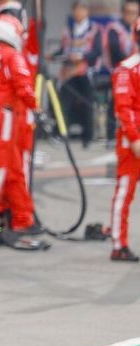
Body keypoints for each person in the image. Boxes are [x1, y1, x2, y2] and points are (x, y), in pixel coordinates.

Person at [0, 13, 39, 234]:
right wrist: (37, 108)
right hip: (9, 121)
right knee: (13, 172)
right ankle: (19, 219)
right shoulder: (13, 55)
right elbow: (24, 87)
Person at [110, 18, 140, 262]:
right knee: (125, 191)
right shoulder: (127, 69)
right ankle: (119, 244)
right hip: (133, 141)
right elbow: (124, 107)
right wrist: (134, 138)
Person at [55, 1, 102, 149]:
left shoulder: (94, 30)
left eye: (81, 10)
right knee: (64, 103)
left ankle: (87, 137)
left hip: (86, 72)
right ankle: (62, 134)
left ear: (86, 11)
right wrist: (55, 55)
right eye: (76, 10)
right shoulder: (68, 29)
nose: (78, 13)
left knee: (87, 105)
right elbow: (63, 49)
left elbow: (97, 51)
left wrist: (82, 57)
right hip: (69, 73)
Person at [104, 0, 139, 141]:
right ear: (123, 13)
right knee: (118, 104)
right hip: (121, 72)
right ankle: (110, 136)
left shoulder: (137, 27)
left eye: (135, 13)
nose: (131, 15)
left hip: (136, 72)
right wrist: (132, 62)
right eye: (129, 12)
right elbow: (115, 51)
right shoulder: (115, 28)